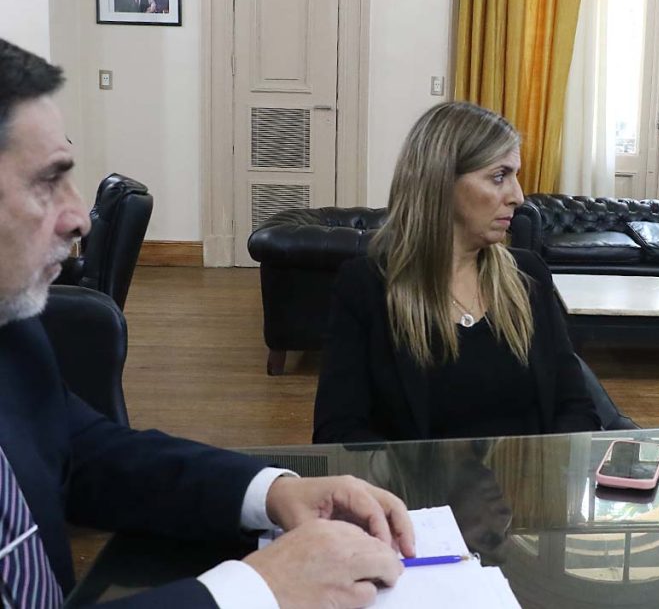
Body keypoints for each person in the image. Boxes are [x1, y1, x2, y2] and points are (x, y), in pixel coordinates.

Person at [0, 38, 415, 608]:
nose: (80, 219)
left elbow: (86, 453)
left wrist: (273, 491)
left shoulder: (13, 335)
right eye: (47, 180)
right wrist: (258, 589)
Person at [313, 101, 600, 443]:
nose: (518, 196)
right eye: (499, 177)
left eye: (516, 176)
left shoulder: (529, 275)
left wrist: (542, 467)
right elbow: (338, 432)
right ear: (441, 182)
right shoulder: (366, 287)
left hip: (530, 477)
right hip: (416, 480)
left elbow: (576, 406)